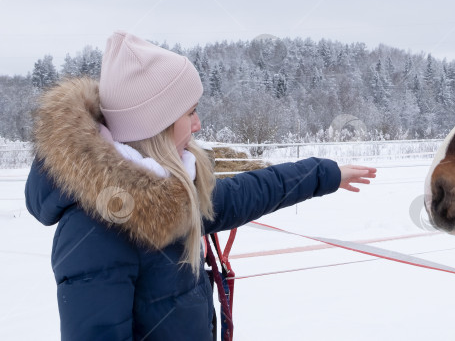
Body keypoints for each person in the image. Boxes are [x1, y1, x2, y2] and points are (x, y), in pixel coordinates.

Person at [25, 31, 376, 340]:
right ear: (156, 125)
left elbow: (247, 193)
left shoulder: (170, 196)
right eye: (189, 112)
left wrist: (323, 174)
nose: (198, 124)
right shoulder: (94, 231)